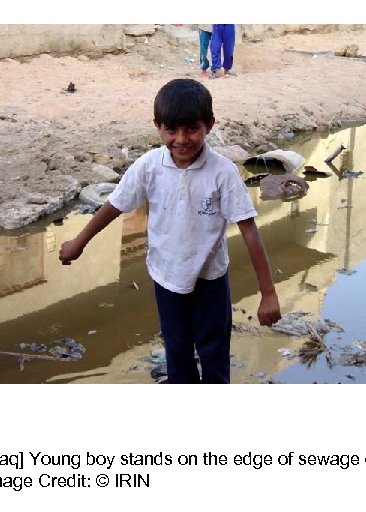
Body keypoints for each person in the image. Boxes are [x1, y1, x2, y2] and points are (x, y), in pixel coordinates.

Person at [59, 79, 281, 383]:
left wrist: (268, 293)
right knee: (177, 356)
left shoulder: (223, 173)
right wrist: (79, 242)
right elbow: (115, 204)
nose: (181, 139)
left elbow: (250, 232)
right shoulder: (149, 166)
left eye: (191, 129)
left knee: (214, 355)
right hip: (167, 279)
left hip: (211, 282)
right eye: (171, 130)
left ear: (209, 125)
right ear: (158, 126)